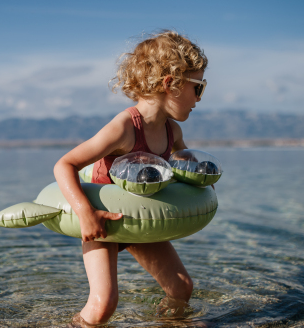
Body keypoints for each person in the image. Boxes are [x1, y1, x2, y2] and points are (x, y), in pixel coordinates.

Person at [53, 30, 208, 326]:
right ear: (170, 84)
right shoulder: (124, 128)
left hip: (138, 218)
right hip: (105, 222)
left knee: (181, 288)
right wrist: (86, 214)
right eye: (198, 88)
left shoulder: (172, 132)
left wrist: (200, 179)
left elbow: (185, 161)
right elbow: (65, 164)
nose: (199, 99)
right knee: (103, 305)